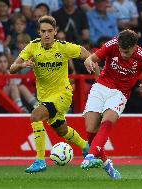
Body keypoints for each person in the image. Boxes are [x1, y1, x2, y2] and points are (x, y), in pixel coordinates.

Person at [80, 29, 142, 179]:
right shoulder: (112, 44)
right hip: (101, 87)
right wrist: (89, 62)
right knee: (90, 130)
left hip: (120, 93)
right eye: (121, 51)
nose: (123, 55)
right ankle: (107, 165)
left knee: (107, 121)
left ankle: (90, 156)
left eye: (127, 52)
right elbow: (90, 59)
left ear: (135, 46)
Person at [9, 15, 92, 173]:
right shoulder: (33, 47)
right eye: (43, 31)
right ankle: (86, 147)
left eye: (49, 31)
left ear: (55, 32)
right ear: (39, 32)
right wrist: (22, 65)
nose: (46, 34)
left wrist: (89, 61)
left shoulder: (63, 47)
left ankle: (40, 160)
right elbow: (12, 68)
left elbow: (85, 53)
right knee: (61, 130)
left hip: (63, 94)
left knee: (35, 116)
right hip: (45, 97)